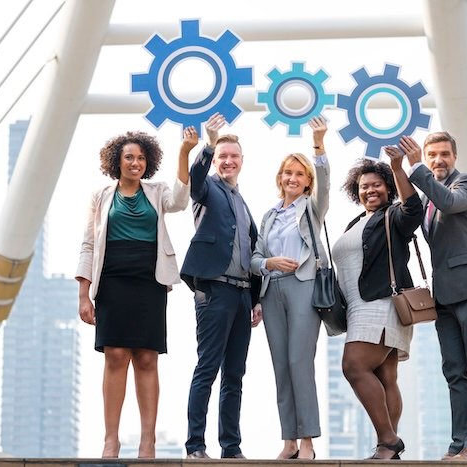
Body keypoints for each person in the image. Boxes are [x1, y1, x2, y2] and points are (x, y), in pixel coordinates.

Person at [75, 128, 196, 458]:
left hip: (149, 280)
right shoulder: (100, 196)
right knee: (115, 355)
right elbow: (88, 245)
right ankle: (110, 439)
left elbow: (181, 201)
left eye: (141, 158)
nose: (135, 162)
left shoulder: (157, 192)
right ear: (117, 160)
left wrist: (184, 151)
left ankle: (148, 441)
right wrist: (84, 294)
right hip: (112, 280)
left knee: (146, 357)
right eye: (129, 157)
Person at [400, 132, 467, 461]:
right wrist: (400, 168)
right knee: (454, 372)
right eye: (432, 155)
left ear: (454, 157)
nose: (438, 160)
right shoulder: (428, 196)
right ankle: (458, 445)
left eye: (444, 154)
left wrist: (416, 167)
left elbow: (450, 203)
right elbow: (420, 204)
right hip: (444, 297)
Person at [180, 112, 262, 460]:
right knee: (207, 368)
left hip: (243, 294)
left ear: (242, 162)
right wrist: (208, 145)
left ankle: (231, 447)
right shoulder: (207, 188)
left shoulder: (243, 204)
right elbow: (194, 178)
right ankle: (195, 446)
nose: (227, 161)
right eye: (222, 156)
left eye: (233, 157)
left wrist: (256, 299)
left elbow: (251, 252)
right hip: (214, 290)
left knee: (235, 375)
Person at [332, 151, 422, 460]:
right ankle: (387, 448)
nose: (370, 191)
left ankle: (388, 439)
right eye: (363, 187)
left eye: (377, 185)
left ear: (388, 187)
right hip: (358, 306)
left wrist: (398, 169)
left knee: (354, 365)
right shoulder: (357, 221)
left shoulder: (393, 215)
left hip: (382, 302)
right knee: (386, 378)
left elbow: (414, 210)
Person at [250, 116, 329, 460]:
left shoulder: (311, 210)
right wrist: (269, 263)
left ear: (307, 181)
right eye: (288, 173)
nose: (292, 178)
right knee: (281, 365)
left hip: (302, 289)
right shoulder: (268, 216)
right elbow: (254, 257)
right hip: (272, 293)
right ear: (279, 178)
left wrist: (318, 146)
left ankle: (308, 441)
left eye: (299, 174)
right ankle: (289, 442)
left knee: (300, 361)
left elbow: (325, 185)